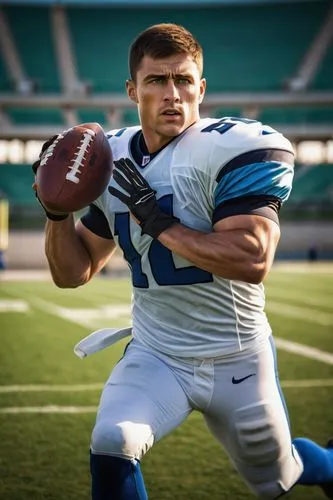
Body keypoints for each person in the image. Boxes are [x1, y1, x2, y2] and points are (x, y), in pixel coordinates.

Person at [33, 23, 333, 500]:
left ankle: (330, 463)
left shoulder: (234, 147)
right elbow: (73, 273)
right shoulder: (109, 157)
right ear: (133, 89)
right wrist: (55, 213)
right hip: (157, 353)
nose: (172, 94)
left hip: (236, 357)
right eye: (156, 81)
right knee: (113, 440)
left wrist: (160, 224)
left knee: (279, 477)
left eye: (184, 80)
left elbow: (251, 257)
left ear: (201, 87)